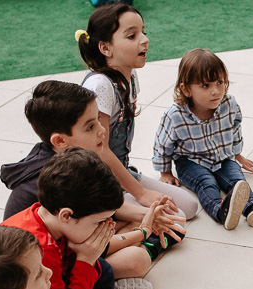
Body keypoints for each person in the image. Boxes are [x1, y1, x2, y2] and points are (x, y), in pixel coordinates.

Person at [1, 81, 186, 289]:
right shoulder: (52, 180)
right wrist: (144, 231)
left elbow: (105, 210)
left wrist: (150, 216)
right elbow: (83, 246)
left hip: (79, 236)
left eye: (98, 119)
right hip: (55, 264)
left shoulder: (70, 158)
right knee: (136, 260)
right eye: (90, 126)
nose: (102, 130)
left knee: (169, 220)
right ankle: (105, 285)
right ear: (59, 140)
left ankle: (144, 245)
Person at [2, 148, 132, 289]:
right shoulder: (38, 247)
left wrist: (88, 260)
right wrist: (85, 258)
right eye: (99, 221)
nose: (106, 227)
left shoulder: (52, 223)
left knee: (104, 272)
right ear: (66, 215)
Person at [76, 2, 199, 218]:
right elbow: (99, 150)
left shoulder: (129, 77)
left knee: (189, 207)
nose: (145, 40)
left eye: (144, 32)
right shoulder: (100, 86)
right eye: (132, 36)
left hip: (119, 172)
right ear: (105, 48)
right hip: (96, 181)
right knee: (176, 219)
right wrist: (140, 193)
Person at [152, 48, 253, 230]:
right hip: (190, 161)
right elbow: (162, 144)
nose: (216, 91)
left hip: (222, 156)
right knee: (206, 183)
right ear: (186, 89)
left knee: (237, 180)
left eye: (220, 82)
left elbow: (235, 129)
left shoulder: (229, 104)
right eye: (205, 86)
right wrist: (165, 172)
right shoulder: (175, 116)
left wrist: (237, 154)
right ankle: (220, 210)